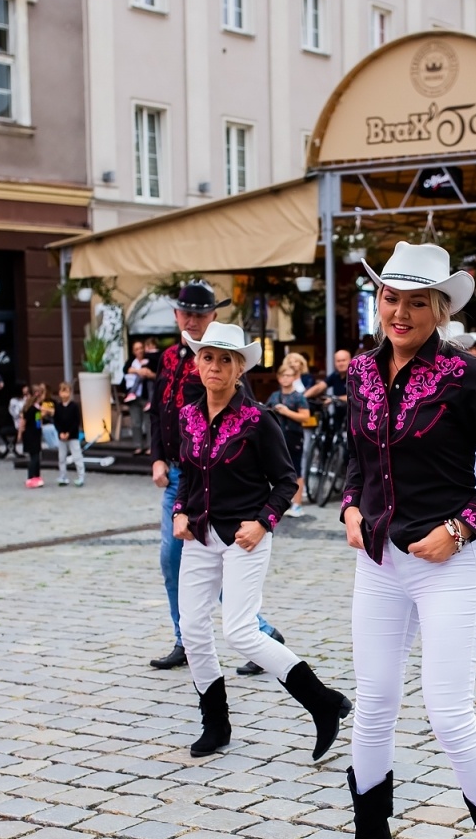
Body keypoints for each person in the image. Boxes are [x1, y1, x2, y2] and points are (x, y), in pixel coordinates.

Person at [336, 242, 476, 839]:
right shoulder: (359, 372)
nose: (401, 311)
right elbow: (356, 459)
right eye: (392, 296)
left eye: (417, 301)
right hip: (380, 563)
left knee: (448, 714)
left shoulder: (466, 375)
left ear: (439, 309)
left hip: (449, 562)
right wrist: (351, 506)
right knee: (375, 703)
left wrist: (463, 527)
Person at [172, 322, 352, 761]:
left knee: (239, 630)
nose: (215, 366)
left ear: (239, 370)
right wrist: (180, 509)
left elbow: (288, 481)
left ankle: (321, 702)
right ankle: (215, 722)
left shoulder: (259, 420)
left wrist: (263, 522)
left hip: (245, 537)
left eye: (225, 360)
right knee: (192, 628)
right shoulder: (188, 416)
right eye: (208, 357)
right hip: (199, 533)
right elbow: (189, 475)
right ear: (197, 363)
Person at [149, 280, 284, 672]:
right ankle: (186, 639)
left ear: (213, 317)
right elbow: (159, 412)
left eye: (200, 314)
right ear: (176, 315)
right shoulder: (169, 359)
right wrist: (158, 458)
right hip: (182, 474)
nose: (191, 319)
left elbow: (246, 416)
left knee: (222, 557)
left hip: (220, 477)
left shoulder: (222, 359)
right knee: (172, 559)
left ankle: (257, 633)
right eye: (185, 313)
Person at [267, 358, 312, 517]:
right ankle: (281, 503)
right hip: (277, 438)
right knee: (277, 471)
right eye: (283, 375)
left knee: (296, 470)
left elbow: (305, 417)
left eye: (289, 375)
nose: (286, 378)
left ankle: (297, 504)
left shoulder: (299, 397)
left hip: (294, 437)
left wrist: (286, 412)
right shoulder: (274, 395)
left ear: (294, 377)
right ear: (279, 378)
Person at [51, 382, 87, 487]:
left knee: (77, 456)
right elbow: (56, 421)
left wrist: (69, 433)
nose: (64, 394)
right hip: (61, 436)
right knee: (61, 457)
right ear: (59, 393)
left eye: (66, 391)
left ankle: (81, 476)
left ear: (70, 393)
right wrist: (60, 432)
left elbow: (76, 421)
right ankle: (63, 476)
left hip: (73, 436)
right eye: (62, 391)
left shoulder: (74, 406)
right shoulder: (58, 407)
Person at [124, 340, 155, 453]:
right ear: (133, 351)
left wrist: (149, 374)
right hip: (134, 397)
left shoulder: (150, 361)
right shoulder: (131, 362)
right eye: (136, 349)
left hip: (147, 397)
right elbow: (125, 371)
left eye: (141, 347)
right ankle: (138, 446)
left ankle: (150, 446)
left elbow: (157, 375)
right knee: (136, 422)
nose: (139, 350)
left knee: (149, 423)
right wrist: (139, 371)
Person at [17, 384, 46, 489]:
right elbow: (30, 422)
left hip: (32, 434)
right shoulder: (33, 408)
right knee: (34, 457)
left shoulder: (30, 407)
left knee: (35, 456)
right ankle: (31, 477)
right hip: (32, 435)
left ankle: (36, 476)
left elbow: (29, 422)